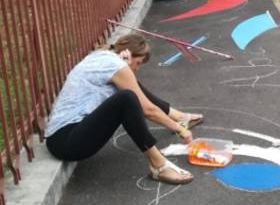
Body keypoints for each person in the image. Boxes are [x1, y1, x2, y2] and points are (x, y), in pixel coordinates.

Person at [45, 34, 204, 184]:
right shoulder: (116, 65)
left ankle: (177, 115)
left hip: (64, 136)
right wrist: (180, 130)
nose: (138, 68)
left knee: (131, 87)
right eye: (139, 63)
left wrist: (127, 70)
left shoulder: (102, 56)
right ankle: (159, 165)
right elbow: (147, 110)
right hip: (66, 142)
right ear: (130, 54)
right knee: (127, 98)